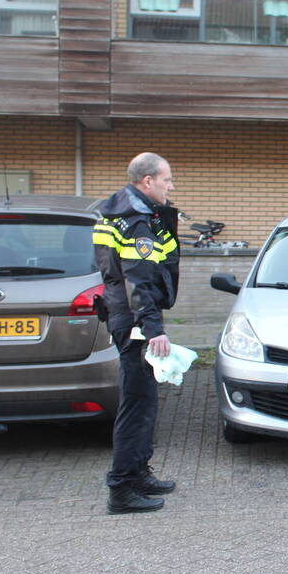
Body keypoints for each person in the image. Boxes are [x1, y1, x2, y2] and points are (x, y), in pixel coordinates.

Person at [93, 152, 181, 514]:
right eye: (166, 180)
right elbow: (138, 280)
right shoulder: (136, 220)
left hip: (126, 318)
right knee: (135, 406)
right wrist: (152, 328)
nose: (170, 186)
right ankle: (122, 489)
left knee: (145, 402)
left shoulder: (117, 212)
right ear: (147, 181)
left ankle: (139, 472)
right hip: (135, 323)